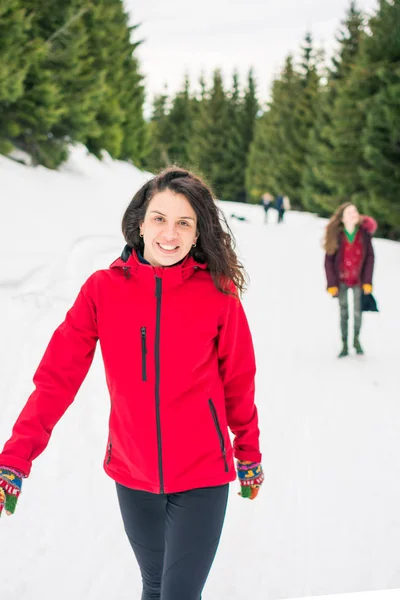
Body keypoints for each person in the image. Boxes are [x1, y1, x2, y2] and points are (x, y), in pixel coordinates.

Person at [0, 167, 264, 600]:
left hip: (202, 475)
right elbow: (56, 380)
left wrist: (248, 451)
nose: (170, 233)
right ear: (139, 223)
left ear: (198, 234)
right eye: (159, 218)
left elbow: (239, 381)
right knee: (154, 584)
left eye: (184, 222)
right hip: (133, 473)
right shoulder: (102, 290)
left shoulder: (218, 294)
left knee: (178, 593)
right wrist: (15, 459)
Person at [324, 202, 377, 358]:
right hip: (340, 281)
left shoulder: (364, 234)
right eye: (349, 212)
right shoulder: (336, 235)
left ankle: (356, 340)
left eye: (355, 211)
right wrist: (331, 284)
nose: (354, 214)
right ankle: (344, 343)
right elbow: (328, 261)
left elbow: (370, 258)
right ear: (342, 218)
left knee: (358, 312)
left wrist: (368, 281)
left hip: (359, 281)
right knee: (344, 311)